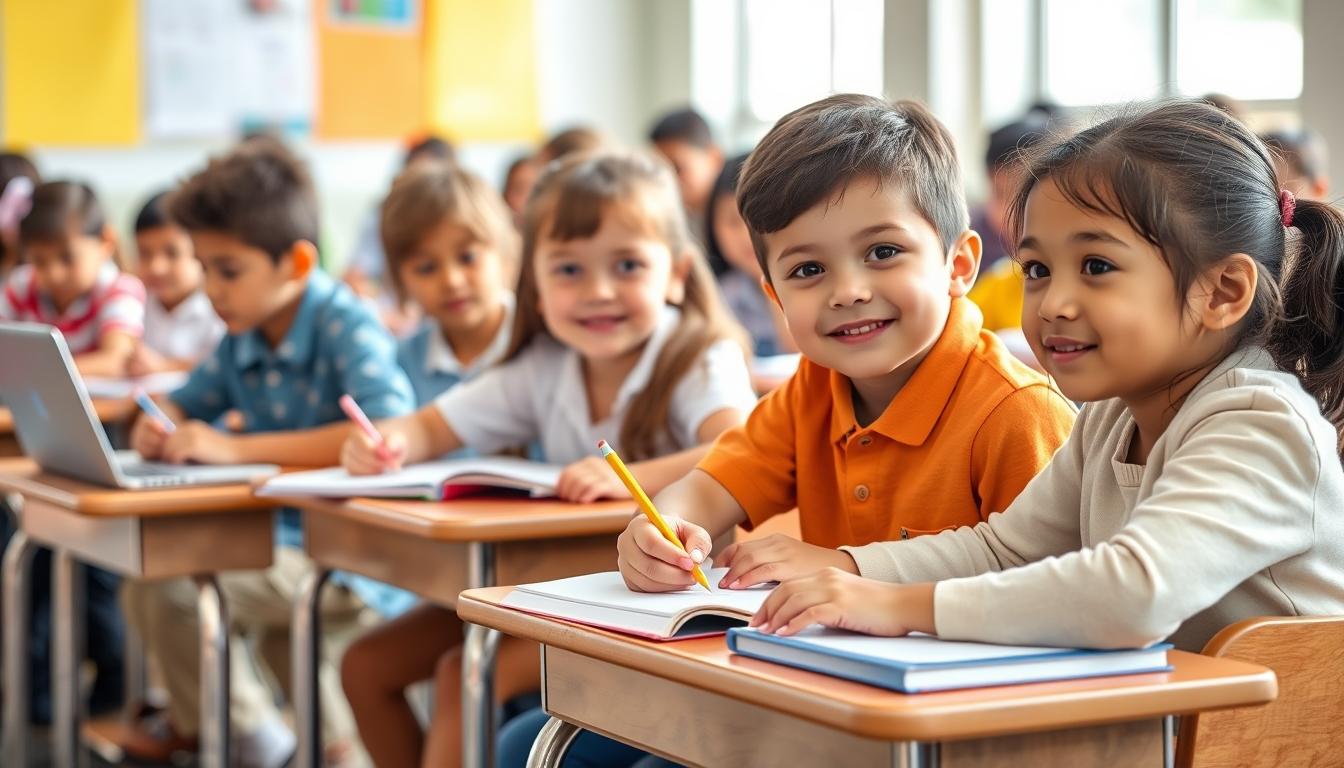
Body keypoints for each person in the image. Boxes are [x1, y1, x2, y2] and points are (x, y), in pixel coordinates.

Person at [751, 100, 1344, 656]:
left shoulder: (1260, 424)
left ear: (1222, 292)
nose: (1053, 302)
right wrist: (844, 569)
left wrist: (900, 604)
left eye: (1096, 266)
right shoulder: (1112, 419)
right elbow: (1004, 549)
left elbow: (1132, 593)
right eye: (1036, 268)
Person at [117, 140, 415, 768]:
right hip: (275, 541)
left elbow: (387, 425)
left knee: (172, 591)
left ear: (297, 264)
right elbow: (185, 400)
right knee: (151, 582)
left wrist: (232, 447)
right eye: (205, 267)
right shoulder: (241, 335)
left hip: (354, 554)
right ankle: (272, 744)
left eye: (228, 270)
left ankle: (256, 747)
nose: (212, 288)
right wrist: (159, 424)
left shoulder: (346, 324)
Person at [129, 191, 225, 374]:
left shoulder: (218, 309)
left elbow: (222, 366)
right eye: (144, 253)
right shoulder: (135, 304)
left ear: (201, 252)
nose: (156, 267)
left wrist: (164, 366)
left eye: (172, 253)